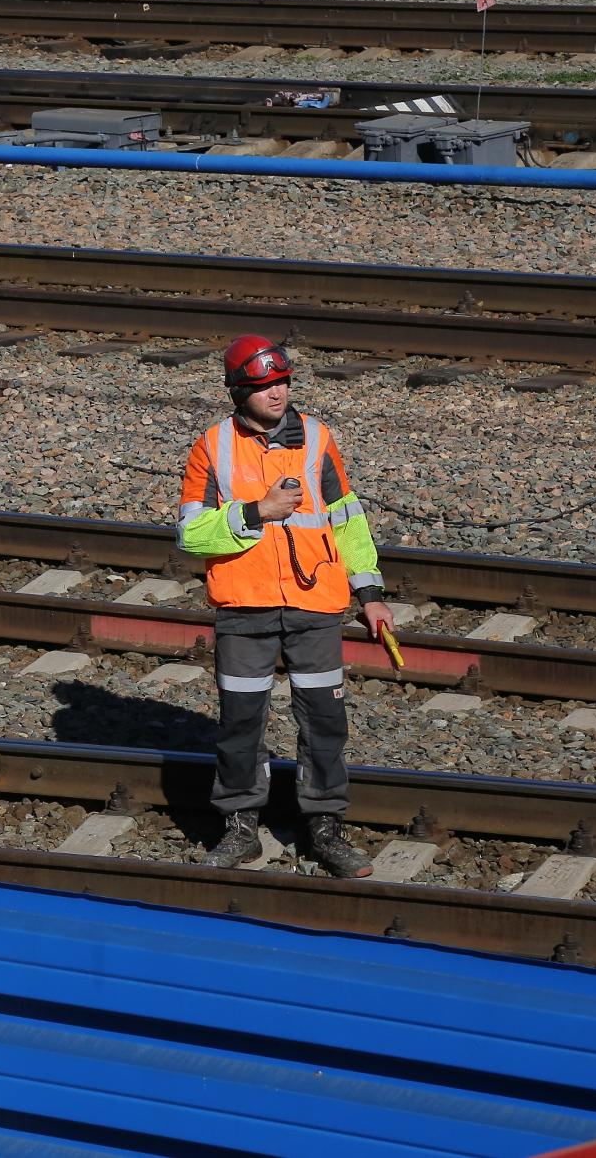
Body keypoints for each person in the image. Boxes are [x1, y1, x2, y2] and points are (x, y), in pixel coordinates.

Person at [176, 334, 393, 875]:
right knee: (241, 720)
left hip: (315, 602)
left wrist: (370, 594)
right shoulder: (212, 447)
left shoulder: (318, 439)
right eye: (263, 384)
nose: (277, 392)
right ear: (237, 390)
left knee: (324, 719)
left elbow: (346, 517)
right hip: (243, 606)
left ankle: (325, 827)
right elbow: (190, 534)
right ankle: (241, 826)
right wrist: (257, 512)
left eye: (282, 381)